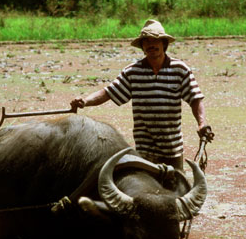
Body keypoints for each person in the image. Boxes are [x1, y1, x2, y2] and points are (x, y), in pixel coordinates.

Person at [70, 19, 209, 171]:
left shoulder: (180, 69)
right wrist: (85, 101)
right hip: (144, 149)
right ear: (142, 46)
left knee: (175, 189)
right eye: (146, 42)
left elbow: (195, 98)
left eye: (155, 41)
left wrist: (201, 123)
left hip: (172, 148)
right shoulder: (133, 72)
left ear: (164, 43)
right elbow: (109, 92)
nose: (151, 45)